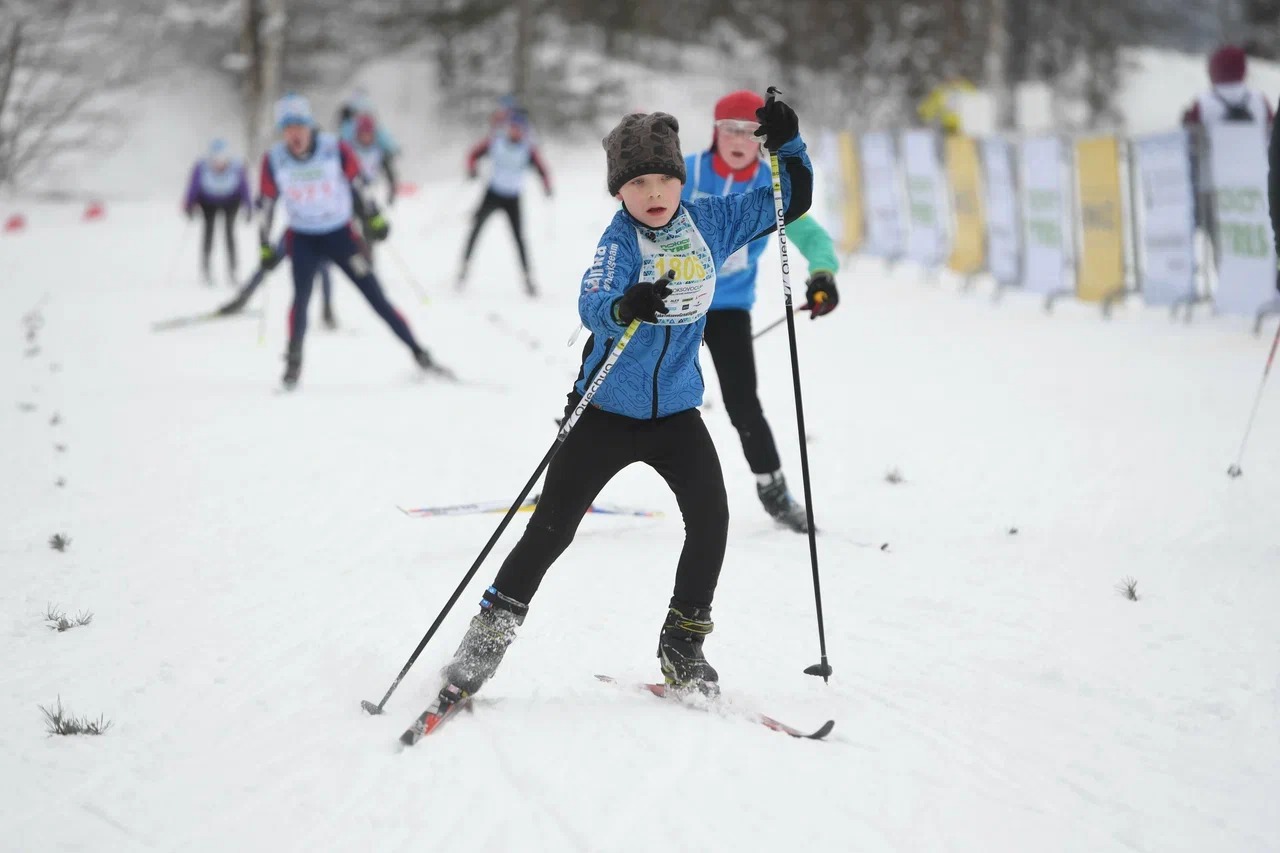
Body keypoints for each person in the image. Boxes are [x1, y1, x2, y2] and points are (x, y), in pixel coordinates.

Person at [428, 96, 813, 717]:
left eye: (663, 178)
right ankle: (483, 645)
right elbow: (594, 300)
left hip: (676, 416)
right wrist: (623, 306)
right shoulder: (619, 242)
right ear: (619, 192)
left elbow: (789, 201)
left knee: (711, 520)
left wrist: (790, 146)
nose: (654, 192)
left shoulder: (710, 221)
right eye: (638, 182)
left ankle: (682, 646)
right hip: (606, 411)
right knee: (550, 531)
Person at [682, 90, 840, 533]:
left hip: (729, 307)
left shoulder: (771, 183)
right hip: (676, 303)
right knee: (624, 383)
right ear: (715, 133)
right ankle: (567, 472)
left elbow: (811, 237)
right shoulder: (687, 172)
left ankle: (775, 492)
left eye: (749, 131)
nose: (738, 138)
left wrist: (823, 274)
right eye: (729, 129)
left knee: (742, 403)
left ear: (761, 137)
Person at [256, 93, 441, 389]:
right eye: (288, 127)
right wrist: (264, 244)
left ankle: (419, 353)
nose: (295, 133)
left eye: (300, 125)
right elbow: (265, 203)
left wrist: (374, 216)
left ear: (310, 126)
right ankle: (293, 365)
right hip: (302, 237)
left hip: (341, 236)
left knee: (376, 297)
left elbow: (359, 184)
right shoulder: (274, 159)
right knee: (301, 299)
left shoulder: (334, 148)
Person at [457, 110, 552, 296]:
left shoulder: (527, 148)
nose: (515, 132)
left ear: (523, 131)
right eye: (512, 128)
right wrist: (471, 170)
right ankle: (463, 270)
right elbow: (472, 154)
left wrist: (546, 186)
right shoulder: (496, 141)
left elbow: (542, 169)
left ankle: (528, 280)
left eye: (519, 129)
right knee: (475, 231)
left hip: (513, 198)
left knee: (519, 239)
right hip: (492, 194)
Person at [183, 138, 252, 287]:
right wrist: (189, 204)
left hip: (231, 201)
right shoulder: (201, 166)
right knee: (208, 233)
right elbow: (194, 187)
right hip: (208, 202)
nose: (218, 164)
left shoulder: (237, 166)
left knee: (229, 233)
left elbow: (244, 188)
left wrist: (249, 207)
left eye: (222, 159)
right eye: (215, 159)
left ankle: (232, 270)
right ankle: (206, 269)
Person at [342, 113, 399, 209]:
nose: (365, 137)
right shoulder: (350, 150)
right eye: (362, 134)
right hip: (352, 191)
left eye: (368, 134)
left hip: (372, 190)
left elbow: (390, 174)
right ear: (357, 134)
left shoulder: (378, 152)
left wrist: (391, 192)